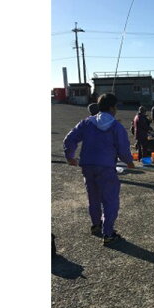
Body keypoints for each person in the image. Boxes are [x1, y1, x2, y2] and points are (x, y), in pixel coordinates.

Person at [63, 93, 135, 246]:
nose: (116, 110)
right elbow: (123, 148)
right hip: (106, 168)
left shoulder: (86, 122)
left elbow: (70, 139)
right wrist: (129, 162)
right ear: (111, 107)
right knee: (110, 201)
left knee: (93, 197)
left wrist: (70, 156)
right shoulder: (116, 126)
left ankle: (96, 225)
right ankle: (108, 234)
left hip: (87, 166)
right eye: (115, 107)